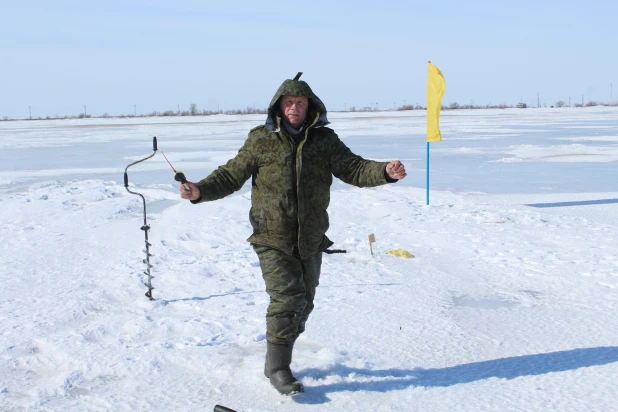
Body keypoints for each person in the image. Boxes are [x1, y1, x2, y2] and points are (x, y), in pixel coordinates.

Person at [180, 73, 406, 395]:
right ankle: (278, 368)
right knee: (288, 299)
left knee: (305, 303)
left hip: (311, 238)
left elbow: (353, 168)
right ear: (278, 106)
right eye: (289, 102)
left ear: (310, 106)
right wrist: (200, 190)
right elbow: (232, 175)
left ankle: (277, 355)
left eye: (300, 102)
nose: (294, 108)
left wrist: (384, 172)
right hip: (272, 236)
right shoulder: (261, 140)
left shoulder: (324, 141)